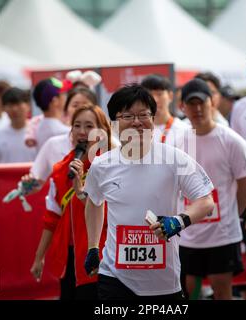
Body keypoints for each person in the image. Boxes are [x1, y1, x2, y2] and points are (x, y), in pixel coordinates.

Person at [82, 84, 215, 300]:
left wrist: (178, 222)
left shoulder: (174, 158)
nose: (136, 122)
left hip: (163, 281)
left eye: (144, 115)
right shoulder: (101, 164)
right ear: (114, 124)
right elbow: (94, 203)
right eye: (128, 116)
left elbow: (206, 201)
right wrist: (92, 247)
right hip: (115, 276)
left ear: (153, 120)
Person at [178, 79, 246, 300]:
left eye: (202, 102)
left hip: (222, 235)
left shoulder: (232, 141)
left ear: (213, 102)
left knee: (222, 291)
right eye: (191, 104)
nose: (198, 109)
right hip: (189, 234)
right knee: (190, 291)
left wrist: (232, 214)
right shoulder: (178, 141)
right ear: (183, 107)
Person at [30, 104, 112, 300]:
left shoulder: (111, 167)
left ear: (102, 131)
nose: (82, 132)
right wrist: (38, 257)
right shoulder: (61, 170)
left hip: (101, 254)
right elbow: (52, 216)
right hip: (69, 257)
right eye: (77, 126)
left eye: (89, 126)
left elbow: (110, 213)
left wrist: (81, 192)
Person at [21, 88, 99, 192]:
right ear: (66, 110)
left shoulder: (107, 145)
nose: (80, 110)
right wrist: (28, 185)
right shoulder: (53, 144)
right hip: (61, 207)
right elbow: (35, 183)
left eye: (85, 106)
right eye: (75, 105)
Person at [141, 74, 189, 145]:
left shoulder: (184, 130)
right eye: (150, 95)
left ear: (170, 96)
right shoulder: (138, 130)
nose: (155, 100)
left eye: (159, 94)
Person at [0, 87, 37, 163]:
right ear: (4, 108)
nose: (14, 109)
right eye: (10, 105)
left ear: (28, 106)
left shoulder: (37, 132)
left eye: (18, 104)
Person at [30, 78, 71, 151]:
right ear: (55, 101)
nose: (66, 96)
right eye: (63, 93)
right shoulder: (65, 132)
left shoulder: (35, 127)